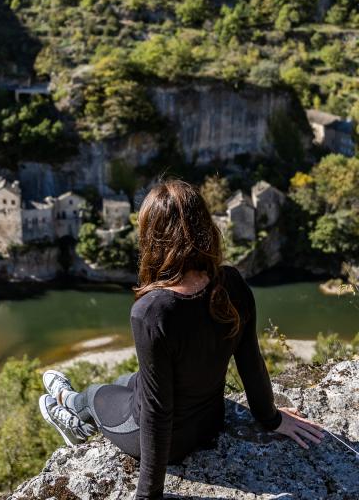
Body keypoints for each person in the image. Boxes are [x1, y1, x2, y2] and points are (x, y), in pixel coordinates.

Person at [38, 179, 325, 500]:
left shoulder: (152, 311)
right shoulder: (231, 282)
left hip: (167, 443)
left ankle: (70, 410)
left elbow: (158, 412)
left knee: (95, 393)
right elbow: (250, 362)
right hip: (210, 422)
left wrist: (148, 496)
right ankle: (74, 408)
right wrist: (270, 419)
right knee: (128, 380)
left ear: (152, 237)